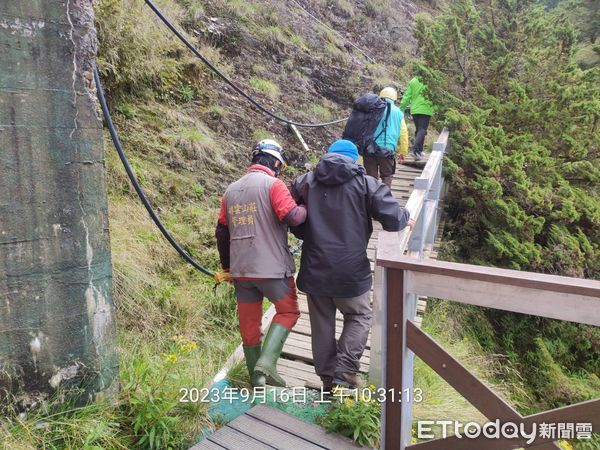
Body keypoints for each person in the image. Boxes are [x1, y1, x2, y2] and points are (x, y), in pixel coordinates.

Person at [290, 139, 414, 390]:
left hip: (315, 270)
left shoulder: (306, 182)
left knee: (322, 323)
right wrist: (406, 217)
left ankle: (327, 379)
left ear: (328, 156)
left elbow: (290, 214)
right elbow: (392, 219)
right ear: (354, 159)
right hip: (350, 271)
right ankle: (344, 372)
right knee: (359, 316)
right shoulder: (366, 183)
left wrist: (304, 231)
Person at [215, 139, 306, 387]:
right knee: (288, 311)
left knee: (249, 322)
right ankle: (266, 363)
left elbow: (222, 232)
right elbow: (293, 217)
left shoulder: (231, 190)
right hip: (273, 269)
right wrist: (306, 207)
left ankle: (256, 378)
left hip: (241, 271)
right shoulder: (273, 185)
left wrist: (228, 267)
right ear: (275, 162)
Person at [363, 87, 409, 189]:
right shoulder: (399, 113)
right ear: (394, 99)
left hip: (369, 148)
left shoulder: (372, 108)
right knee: (387, 176)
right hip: (387, 149)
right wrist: (403, 152)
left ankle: (369, 201)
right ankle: (384, 199)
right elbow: (403, 134)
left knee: (370, 179)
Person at [399, 76, 434, 161]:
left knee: (419, 130)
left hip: (414, 110)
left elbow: (407, 96)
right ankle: (415, 150)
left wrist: (401, 108)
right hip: (425, 109)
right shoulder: (430, 80)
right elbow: (434, 96)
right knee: (422, 130)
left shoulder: (413, 81)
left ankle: (419, 150)